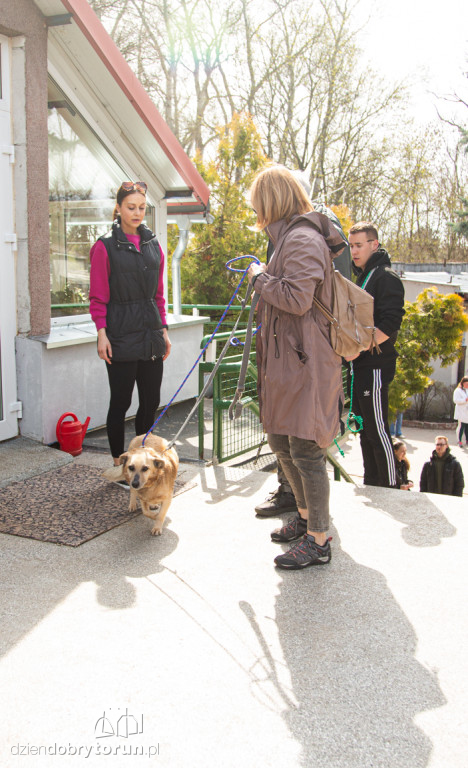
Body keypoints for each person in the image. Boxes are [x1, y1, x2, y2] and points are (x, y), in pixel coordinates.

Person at [247, 165, 347, 570]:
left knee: (306, 449)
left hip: (306, 364)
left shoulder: (302, 238)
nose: (255, 211)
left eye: (258, 203)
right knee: (282, 443)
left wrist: (258, 279)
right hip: (289, 362)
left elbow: (297, 299)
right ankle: (306, 520)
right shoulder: (286, 238)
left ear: (271, 201)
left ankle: (319, 541)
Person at [89, 181, 171, 467]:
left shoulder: (153, 244)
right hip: (120, 336)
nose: (137, 213)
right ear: (119, 208)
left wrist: (163, 330)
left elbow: (158, 295)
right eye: (131, 207)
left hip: (150, 336)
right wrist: (102, 333)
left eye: (141, 208)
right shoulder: (104, 247)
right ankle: (117, 464)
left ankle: (141, 461)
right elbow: (98, 297)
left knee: (150, 402)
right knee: (120, 403)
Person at [347, 222, 405, 488]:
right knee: (363, 429)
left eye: (359, 245)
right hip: (360, 366)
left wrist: (357, 348)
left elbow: (390, 324)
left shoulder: (385, 276)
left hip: (375, 366)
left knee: (378, 429)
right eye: (351, 246)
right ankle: (373, 482)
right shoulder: (365, 276)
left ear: (374, 244)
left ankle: (391, 485)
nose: (354, 251)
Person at [453, 375, 468, 447]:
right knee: (461, 426)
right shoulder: (458, 390)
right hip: (461, 412)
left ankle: (467, 440)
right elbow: (455, 400)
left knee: (467, 426)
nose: (467, 385)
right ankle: (459, 440)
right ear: (462, 383)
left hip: (467, 411)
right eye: (466, 384)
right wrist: (464, 400)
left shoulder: (467, 390)